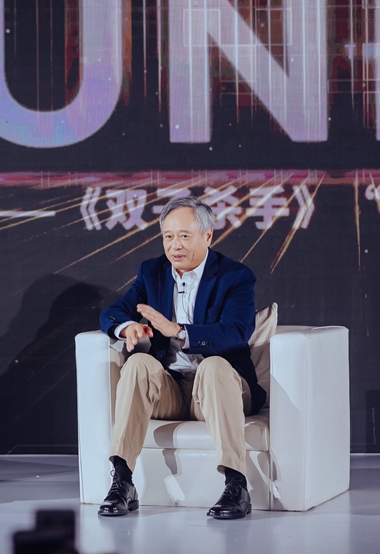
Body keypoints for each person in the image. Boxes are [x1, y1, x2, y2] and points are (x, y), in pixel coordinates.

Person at [97, 195, 265, 519]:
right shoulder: (152, 272)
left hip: (220, 387)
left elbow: (236, 331)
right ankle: (122, 481)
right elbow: (113, 312)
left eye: (185, 236)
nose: (175, 245)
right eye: (168, 236)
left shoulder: (234, 276)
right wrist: (128, 327)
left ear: (207, 236)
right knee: (138, 363)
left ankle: (236, 485)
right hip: (172, 389)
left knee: (214, 367)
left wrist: (180, 331)